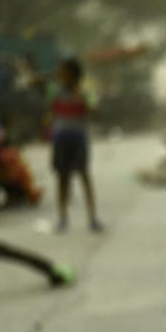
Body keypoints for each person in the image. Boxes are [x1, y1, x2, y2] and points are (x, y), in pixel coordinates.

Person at [50, 57, 102, 232]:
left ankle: (93, 218)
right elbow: (50, 106)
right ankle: (62, 218)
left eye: (65, 71)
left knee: (84, 176)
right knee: (62, 178)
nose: (61, 74)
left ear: (74, 73)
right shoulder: (55, 90)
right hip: (60, 137)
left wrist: (82, 96)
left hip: (78, 137)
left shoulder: (85, 90)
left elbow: (94, 111)